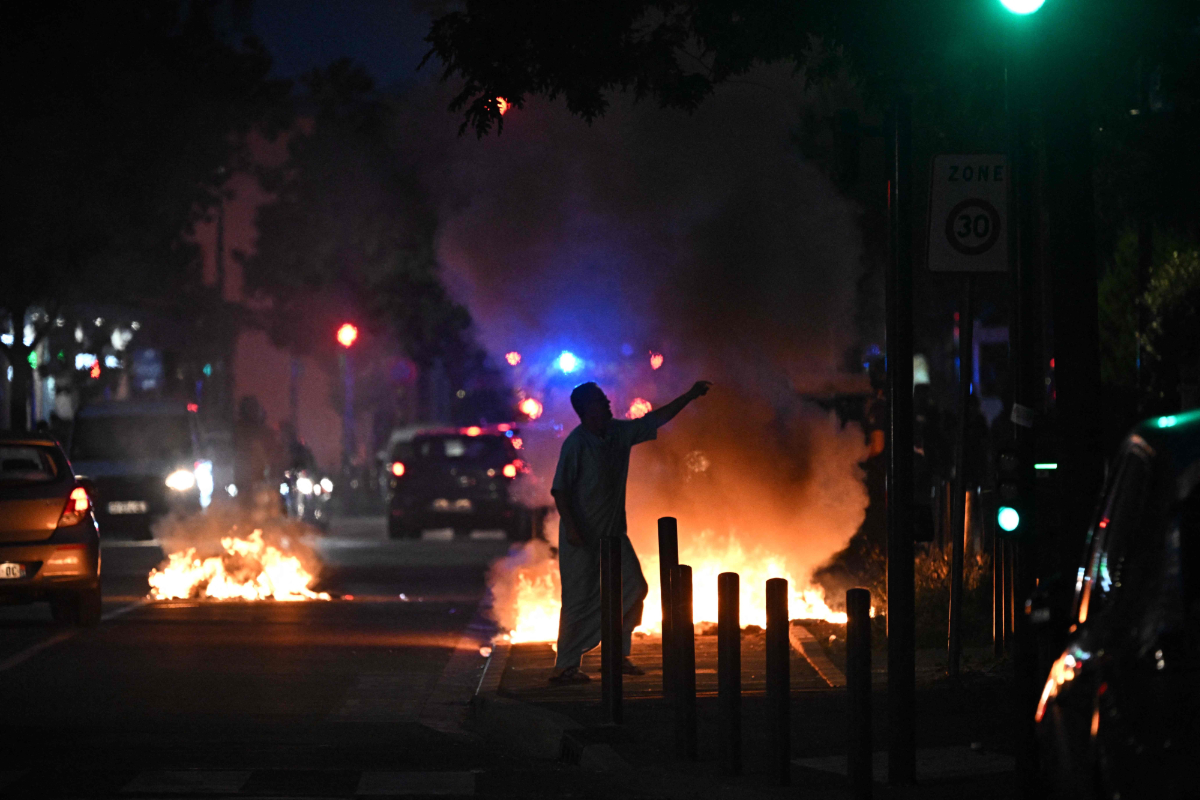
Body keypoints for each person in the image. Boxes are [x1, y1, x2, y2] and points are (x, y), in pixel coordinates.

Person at [549, 379, 712, 685]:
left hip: (613, 535)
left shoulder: (617, 434)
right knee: (578, 600)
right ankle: (565, 666)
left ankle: (617, 653)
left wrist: (689, 395)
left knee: (634, 588)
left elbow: (655, 420)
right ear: (586, 409)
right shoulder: (576, 443)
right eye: (601, 400)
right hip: (582, 538)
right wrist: (572, 529)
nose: (608, 403)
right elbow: (560, 491)